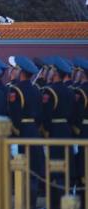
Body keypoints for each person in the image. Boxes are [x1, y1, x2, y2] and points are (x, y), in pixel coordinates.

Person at [7, 56, 44, 208]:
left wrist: (13, 133)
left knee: (20, 172)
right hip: (34, 132)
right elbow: (41, 114)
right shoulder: (36, 89)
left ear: (21, 71)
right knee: (33, 171)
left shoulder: (15, 90)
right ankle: (32, 204)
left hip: (20, 132)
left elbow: (13, 114)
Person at [41, 56, 75, 209]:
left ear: (55, 74)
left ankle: (54, 203)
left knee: (54, 168)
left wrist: (45, 131)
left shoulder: (49, 91)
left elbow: (46, 115)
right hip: (66, 131)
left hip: (54, 131)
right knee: (65, 167)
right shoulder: (70, 91)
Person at [72, 57, 88, 207]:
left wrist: (75, 131)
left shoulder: (81, 92)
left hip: (83, 132)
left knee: (83, 168)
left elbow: (76, 114)